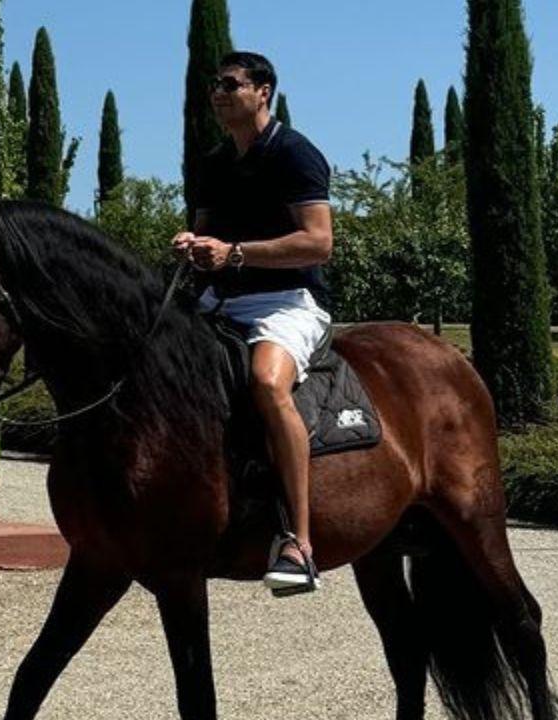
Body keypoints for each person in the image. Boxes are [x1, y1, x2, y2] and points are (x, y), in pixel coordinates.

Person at [172, 51, 333, 594]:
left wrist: (234, 253)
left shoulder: (295, 153)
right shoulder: (214, 163)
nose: (218, 92)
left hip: (286, 301)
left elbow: (318, 242)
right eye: (213, 85)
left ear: (263, 90)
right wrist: (192, 246)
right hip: (219, 302)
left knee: (267, 383)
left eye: (230, 84)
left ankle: (299, 543)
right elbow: (206, 235)